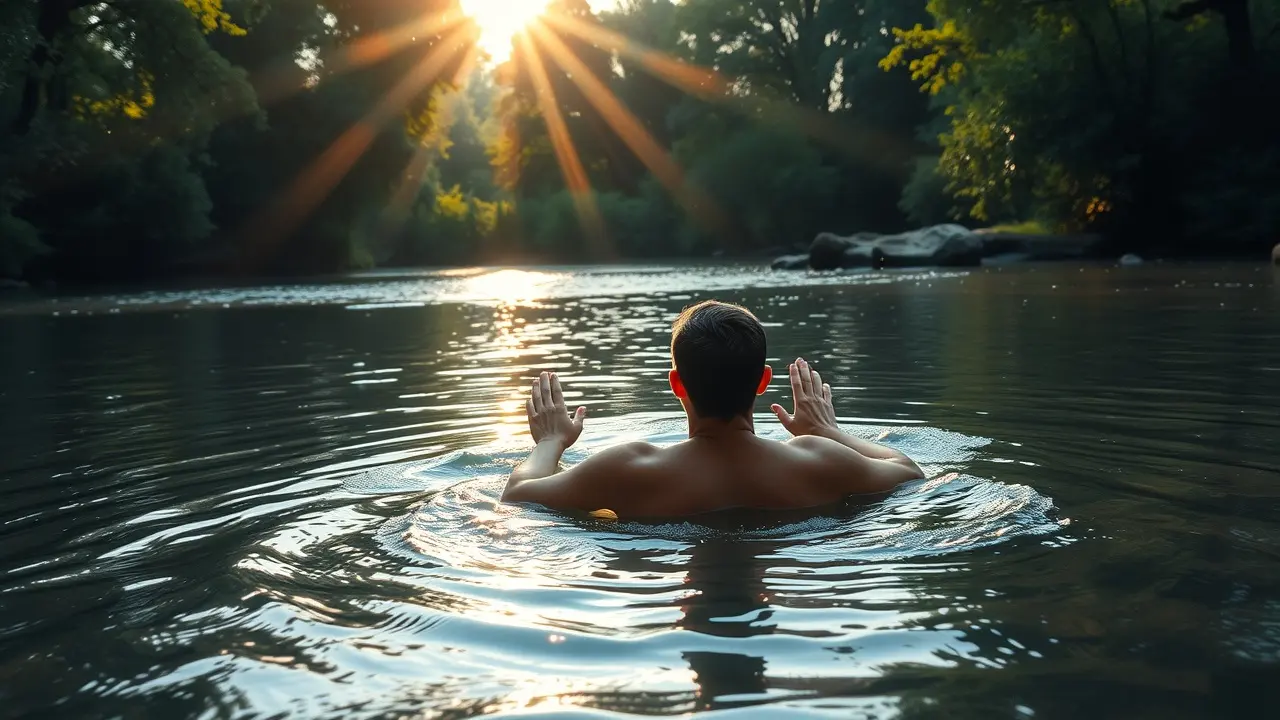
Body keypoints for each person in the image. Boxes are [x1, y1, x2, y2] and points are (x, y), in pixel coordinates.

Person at [501, 300, 925, 518]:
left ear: (676, 384)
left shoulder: (627, 469)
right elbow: (909, 472)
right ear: (763, 381)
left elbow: (518, 496)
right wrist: (830, 431)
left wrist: (551, 442)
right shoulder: (821, 459)